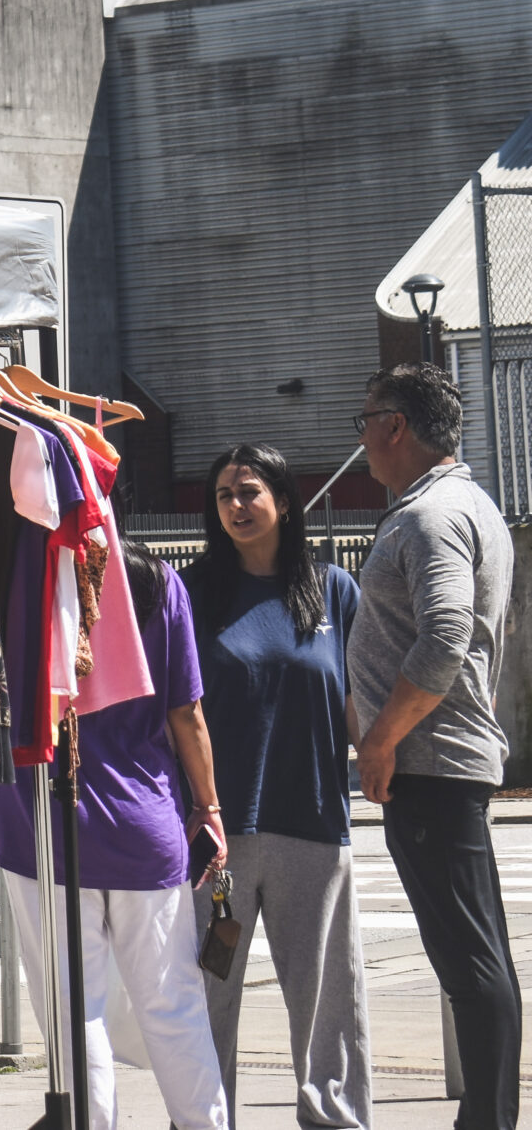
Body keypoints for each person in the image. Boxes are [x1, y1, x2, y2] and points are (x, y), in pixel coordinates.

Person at [0, 535, 230, 1130]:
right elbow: (186, 712)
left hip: (39, 819)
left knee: (75, 1012)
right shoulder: (159, 582)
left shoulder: (14, 574)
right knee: (174, 1005)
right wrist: (209, 806)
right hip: (143, 820)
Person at [349, 362, 519, 1130]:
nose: (361, 441)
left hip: (430, 760)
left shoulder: (428, 516)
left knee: (470, 961)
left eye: (365, 422)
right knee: (478, 957)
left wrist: (382, 739)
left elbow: (447, 634)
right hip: (443, 758)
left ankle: (484, 1120)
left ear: (395, 426)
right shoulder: (466, 504)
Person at [185, 444, 370, 1127]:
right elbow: (176, 708)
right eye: (224, 493)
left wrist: (381, 763)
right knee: (208, 996)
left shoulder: (332, 590)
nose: (235, 504)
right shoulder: (194, 593)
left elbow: (353, 699)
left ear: (284, 501)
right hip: (217, 839)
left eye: (249, 491)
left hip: (313, 826)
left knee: (328, 1001)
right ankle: (205, 1117)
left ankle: (335, 1116)